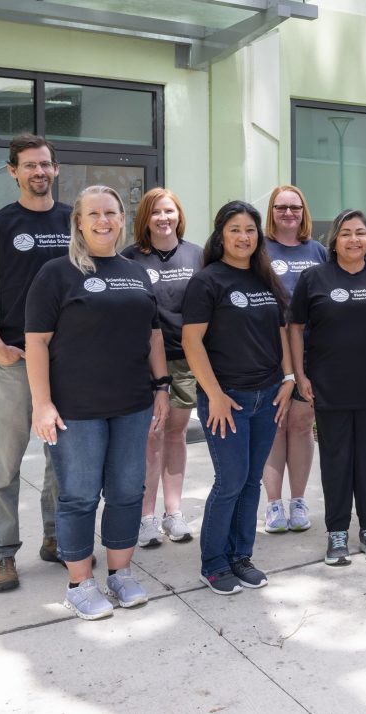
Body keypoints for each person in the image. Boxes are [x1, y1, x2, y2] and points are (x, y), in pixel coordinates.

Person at [26, 185, 170, 620]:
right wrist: (41, 403)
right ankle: (79, 583)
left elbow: (153, 335)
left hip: (132, 403)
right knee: (79, 496)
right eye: (94, 214)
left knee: (128, 491)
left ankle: (120, 575)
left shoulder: (136, 272)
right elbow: (36, 343)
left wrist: (161, 386)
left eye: (111, 212)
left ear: (122, 219)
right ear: (79, 221)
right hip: (77, 409)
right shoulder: (56, 273)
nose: (104, 220)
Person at [0, 134, 71, 592]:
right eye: (29, 165)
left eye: (45, 164)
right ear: (13, 171)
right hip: (15, 361)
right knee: (6, 463)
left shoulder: (75, 221)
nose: (39, 172)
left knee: (64, 460)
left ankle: (56, 537)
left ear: (55, 168)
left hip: (68, 362)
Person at [183, 201, 295, 595]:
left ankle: (240, 556)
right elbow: (191, 341)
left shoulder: (266, 279)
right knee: (229, 480)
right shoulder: (208, 281)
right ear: (220, 236)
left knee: (251, 482)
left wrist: (288, 378)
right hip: (226, 398)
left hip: (267, 396)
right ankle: (213, 563)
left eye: (250, 230)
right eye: (235, 230)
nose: (243, 237)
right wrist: (213, 394)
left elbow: (280, 333)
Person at [291, 209, 366, 565]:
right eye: (345, 233)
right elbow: (294, 327)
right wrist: (300, 375)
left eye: (360, 233)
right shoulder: (314, 278)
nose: (354, 239)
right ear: (334, 241)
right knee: (337, 459)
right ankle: (337, 532)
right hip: (330, 385)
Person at [122, 188, 202, 548]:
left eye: (169, 211)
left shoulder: (197, 255)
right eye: (155, 212)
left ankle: (173, 514)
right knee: (149, 437)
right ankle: (145, 518)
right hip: (142, 361)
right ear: (145, 219)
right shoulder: (129, 259)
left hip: (186, 360)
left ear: (178, 214)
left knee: (175, 434)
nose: (163, 218)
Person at [260, 185, 326, 534]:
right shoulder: (259, 249)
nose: (288, 213)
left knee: (300, 426)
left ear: (304, 212)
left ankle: (298, 500)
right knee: (274, 426)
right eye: (281, 207)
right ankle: (273, 504)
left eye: (295, 207)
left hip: (310, 352)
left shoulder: (317, 251)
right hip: (267, 351)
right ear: (271, 211)